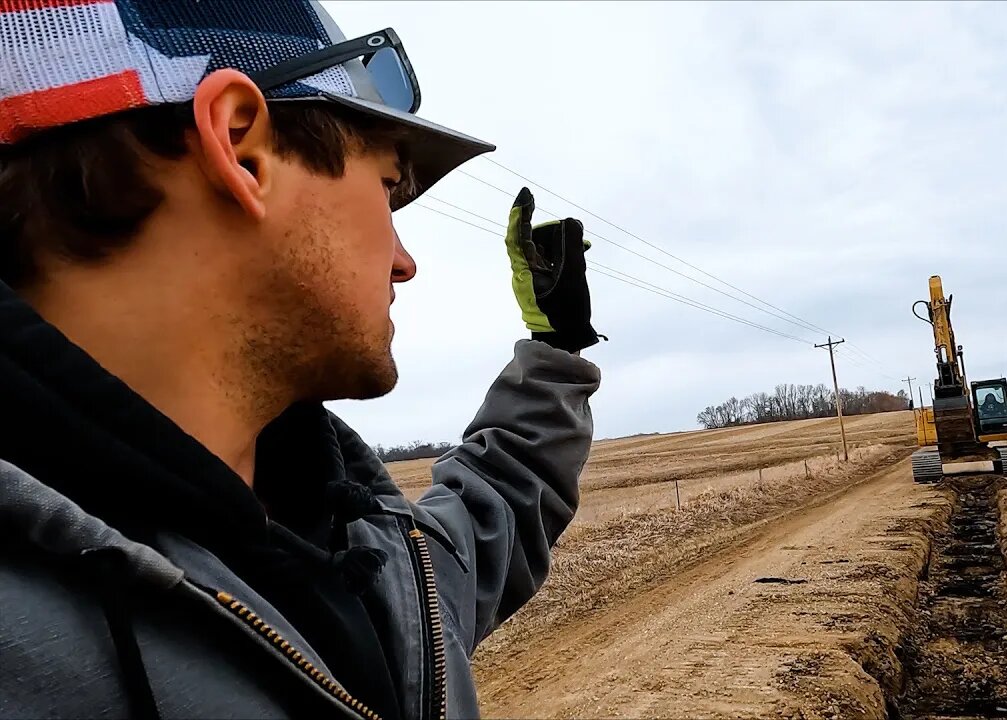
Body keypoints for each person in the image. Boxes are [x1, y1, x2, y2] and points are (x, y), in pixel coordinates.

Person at [0, 2, 602, 718]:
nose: (404, 263)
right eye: (388, 186)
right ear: (242, 148)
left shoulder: (346, 554)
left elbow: (490, 514)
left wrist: (557, 347)